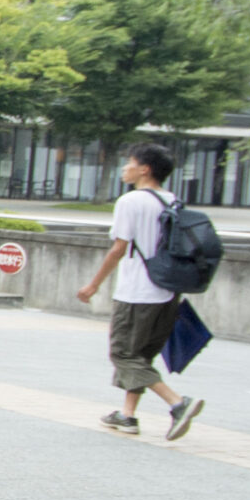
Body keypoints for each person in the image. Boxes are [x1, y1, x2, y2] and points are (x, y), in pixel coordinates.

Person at [77, 142, 206, 440]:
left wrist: (93, 284)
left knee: (122, 354)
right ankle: (128, 415)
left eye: (129, 162)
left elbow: (119, 248)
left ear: (144, 169)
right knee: (141, 356)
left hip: (137, 292)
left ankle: (177, 403)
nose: (125, 167)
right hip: (168, 292)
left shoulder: (131, 201)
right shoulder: (171, 200)